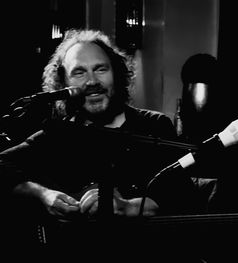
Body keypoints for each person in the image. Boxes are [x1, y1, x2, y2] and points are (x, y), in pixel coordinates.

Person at [1, 29, 204, 261]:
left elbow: (184, 199)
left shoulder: (153, 126)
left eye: (100, 69)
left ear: (116, 74)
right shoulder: (58, 134)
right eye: (79, 72)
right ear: (64, 84)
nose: (92, 81)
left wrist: (126, 206)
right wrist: (43, 195)